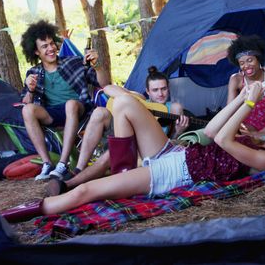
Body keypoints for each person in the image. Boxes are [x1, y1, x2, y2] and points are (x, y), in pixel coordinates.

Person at [1, 81, 265, 223]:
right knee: (125, 103)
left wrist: (249, 103)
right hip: (177, 154)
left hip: (176, 173)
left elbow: (222, 140)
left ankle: (9, 215)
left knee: (84, 191)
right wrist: (243, 97)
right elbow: (208, 132)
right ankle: (124, 174)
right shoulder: (258, 141)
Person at [48, 67, 189, 195]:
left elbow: (172, 144)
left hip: (148, 150)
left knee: (110, 155)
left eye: (163, 89)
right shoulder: (141, 99)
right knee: (99, 113)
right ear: (147, 91)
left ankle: (70, 184)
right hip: (126, 134)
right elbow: (108, 88)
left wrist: (178, 131)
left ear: (168, 89)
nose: (160, 94)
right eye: (155, 90)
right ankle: (78, 169)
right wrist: (134, 101)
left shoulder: (174, 108)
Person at [19, 20, 109, 181]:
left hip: (79, 109)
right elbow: (26, 102)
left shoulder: (73, 62)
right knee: (27, 110)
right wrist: (30, 90)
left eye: (51, 44)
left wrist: (98, 65)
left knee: (71, 104)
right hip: (53, 114)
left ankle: (62, 163)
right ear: (36, 52)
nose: (50, 48)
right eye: (44, 46)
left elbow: (103, 83)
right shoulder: (33, 72)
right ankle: (47, 164)